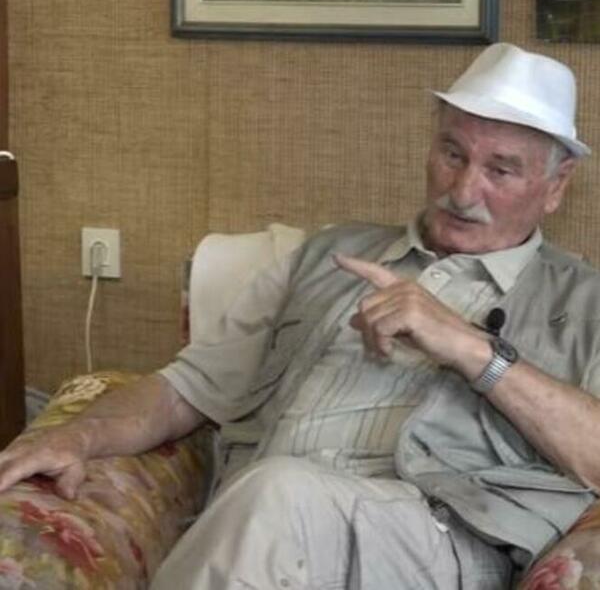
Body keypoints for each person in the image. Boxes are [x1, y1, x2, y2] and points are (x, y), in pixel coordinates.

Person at [0, 42, 599, 589]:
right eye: (452, 154)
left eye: (500, 170)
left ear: (556, 185)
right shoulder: (326, 255)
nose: (463, 191)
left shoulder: (584, 301)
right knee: (273, 496)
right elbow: (184, 391)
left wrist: (469, 348)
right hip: (262, 529)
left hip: (437, 541)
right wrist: (75, 436)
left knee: (280, 493)